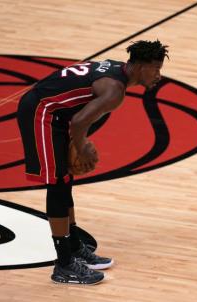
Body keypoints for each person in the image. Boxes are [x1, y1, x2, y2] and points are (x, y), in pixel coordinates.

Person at [16, 40, 169, 285]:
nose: (159, 76)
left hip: (57, 112)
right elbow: (79, 122)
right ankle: (64, 265)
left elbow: (82, 115)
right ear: (139, 66)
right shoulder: (114, 91)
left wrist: (76, 143)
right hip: (41, 112)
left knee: (66, 179)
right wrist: (81, 146)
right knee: (57, 183)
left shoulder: (118, 71)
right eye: (156, 68)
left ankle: (75, 246)